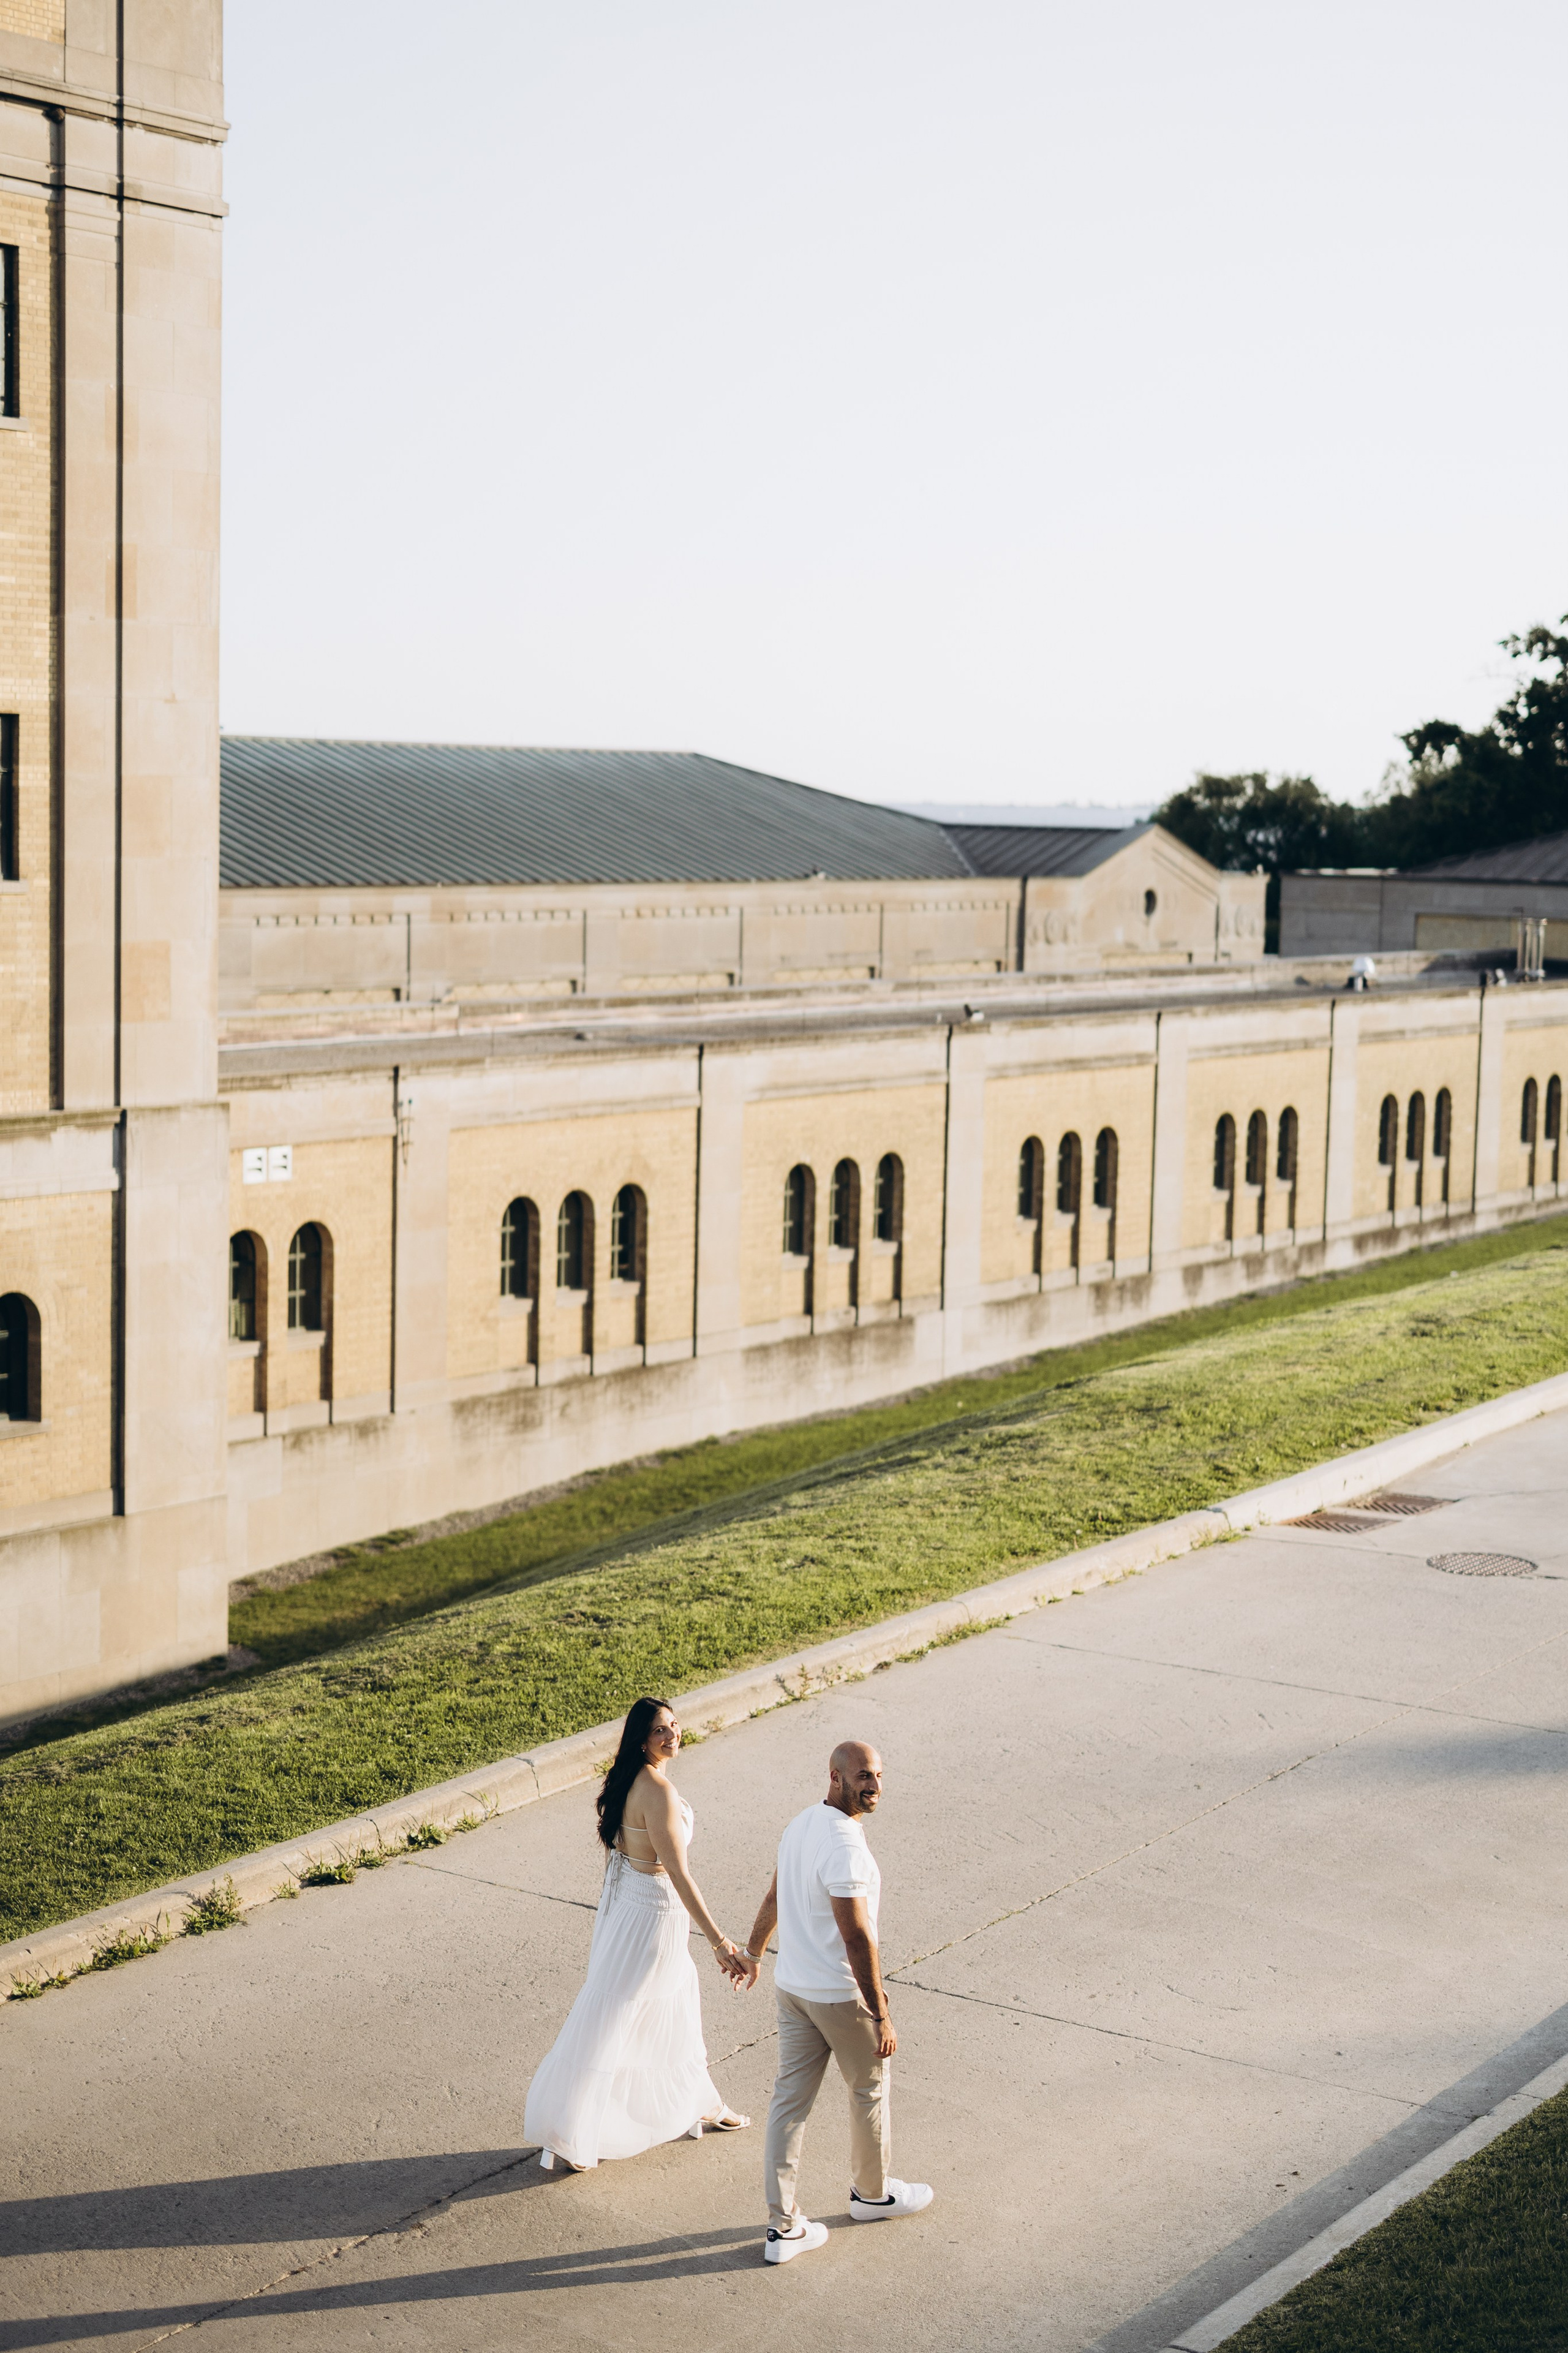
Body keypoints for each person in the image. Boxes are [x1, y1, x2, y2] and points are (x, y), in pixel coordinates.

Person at [524, 1695, 751, 2172]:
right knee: (623, 2015)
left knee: (672, 2006)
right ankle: (575, 2131)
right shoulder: (659, 1793)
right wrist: (718, 1939)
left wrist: (612, 1919)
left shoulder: (626, 1780)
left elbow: (619, 1857)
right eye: (659, 1731)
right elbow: (680, 1874)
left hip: (631, 1906)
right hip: (653, 1916)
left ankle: (702, 2101)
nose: (671, 1735)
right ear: (641, 1740)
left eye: (673, 1725)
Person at [737, 1738, 933, 2263]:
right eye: (863, 1776)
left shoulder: (801, 1824)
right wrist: (881, 2011)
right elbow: (858, 1937)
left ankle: (783, 2229)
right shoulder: (846, 1847)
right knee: (869, 2089)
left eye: (878, 1776)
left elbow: (777, 1893)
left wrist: (755, 1952)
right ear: (835, 1776)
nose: (873, 1786)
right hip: (839, 1997)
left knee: (788, 2104)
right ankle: (872, 2194)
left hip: (793, 1989)